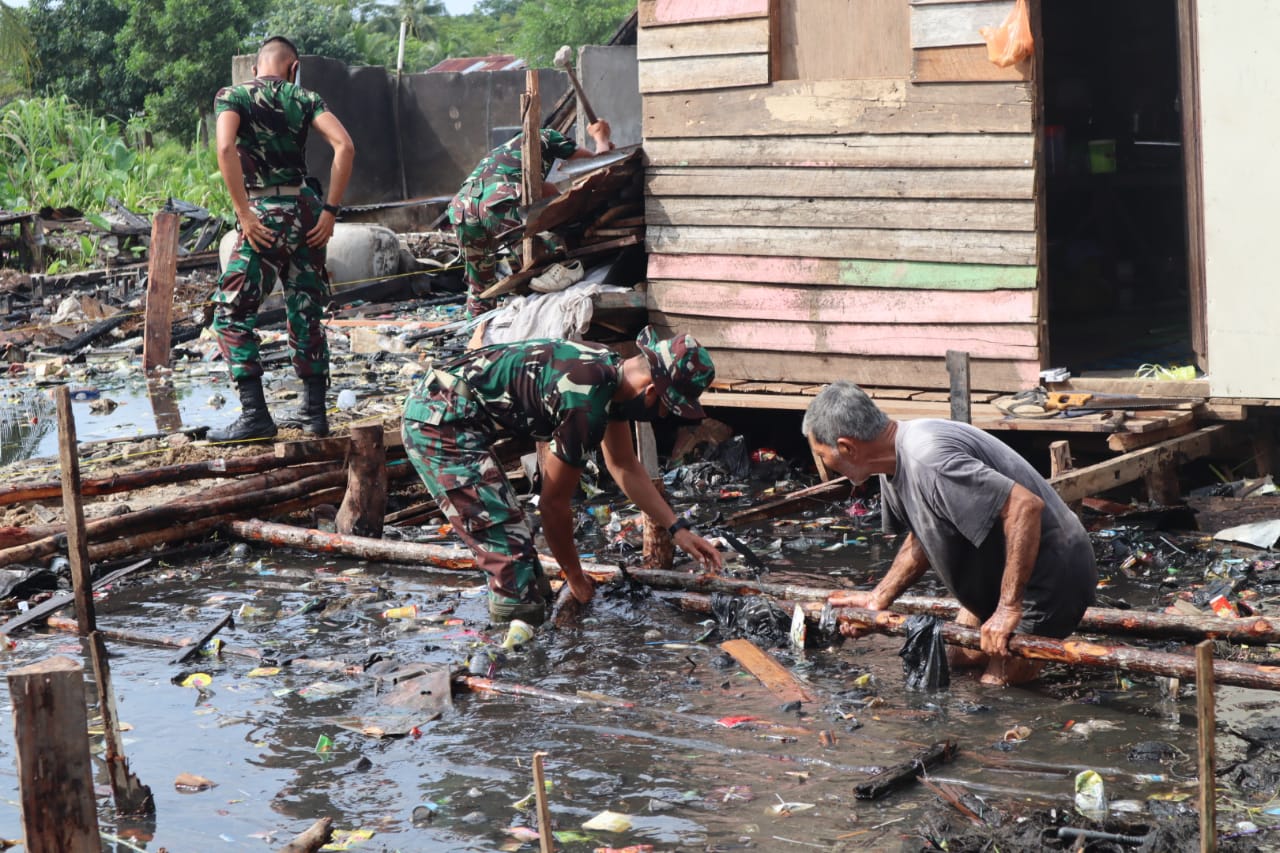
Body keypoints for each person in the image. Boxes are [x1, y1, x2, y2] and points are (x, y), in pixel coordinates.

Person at [401, 327, 723, 625]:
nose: (663, 415)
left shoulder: (610, 373)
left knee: (518, 549)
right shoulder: (585, 403)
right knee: (508, 557)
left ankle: (530, 618)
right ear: (651, 391)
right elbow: (553, 505)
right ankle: (509, 661)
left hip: (455, 412)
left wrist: (677, 528)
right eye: (667, 407)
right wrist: (575, 575)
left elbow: (623, 465)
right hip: (437, 420)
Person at [802, 381, 1097, 686]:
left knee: (996, 693)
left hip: (1051, 577)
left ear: (848, 447)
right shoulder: (892, 462)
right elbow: (924, 536)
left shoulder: (929, 459)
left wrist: (1009, 608)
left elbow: (1025, 507)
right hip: (998, 577)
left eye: (822, 455)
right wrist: (878, 598)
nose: (825, 464)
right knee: (952, 663)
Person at [208, 35, 356, 442]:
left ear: (255, 68)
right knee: (305, 309)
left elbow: (224, 148)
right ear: (294, 68)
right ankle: (314, 416)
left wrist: (243, 213)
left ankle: (255, 415)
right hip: (307, 212)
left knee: (231, 313)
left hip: (263, 215)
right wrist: (330, 211)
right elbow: (344, 145)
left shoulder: (233, 95)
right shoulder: (305, 98)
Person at [448, 121, 614, 318]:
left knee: (480, 288)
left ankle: (475, 340)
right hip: (497, 199)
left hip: (461, 207)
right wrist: (601, 136)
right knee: (550, 257)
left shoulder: (504, 155)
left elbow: (547, 191)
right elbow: (599, 161)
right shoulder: (547, 136)